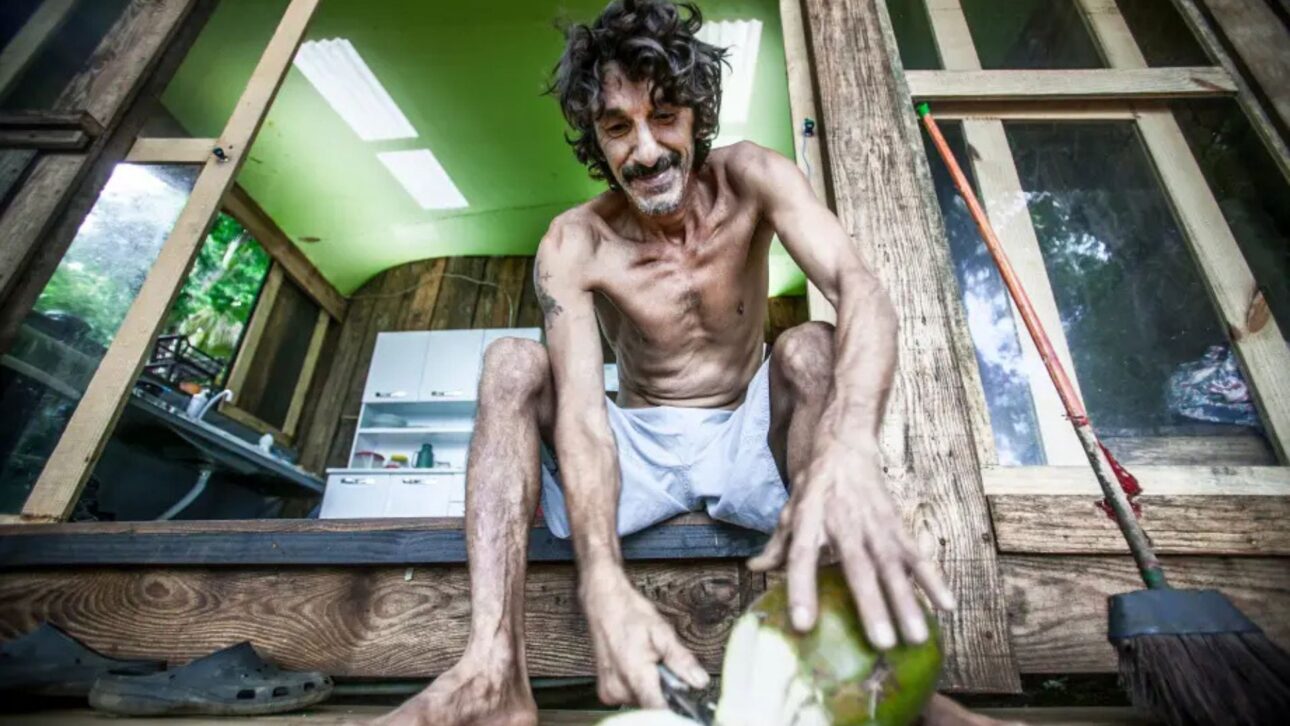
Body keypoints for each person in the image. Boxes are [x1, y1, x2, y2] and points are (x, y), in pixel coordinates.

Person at [378, 2, 1014, 724]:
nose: (645, 150)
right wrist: (601, 580)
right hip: (636, 448)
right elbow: (585, 420)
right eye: (618, 127)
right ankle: (494, 674)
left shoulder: (754, 178)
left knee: (810, 344)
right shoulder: (574, 244)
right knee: (510, 364)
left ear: (696, 116)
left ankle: (865, 675)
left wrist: (852, 445)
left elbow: (861, 289)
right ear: (597, 140)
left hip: (746, 440)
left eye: (665, 116)